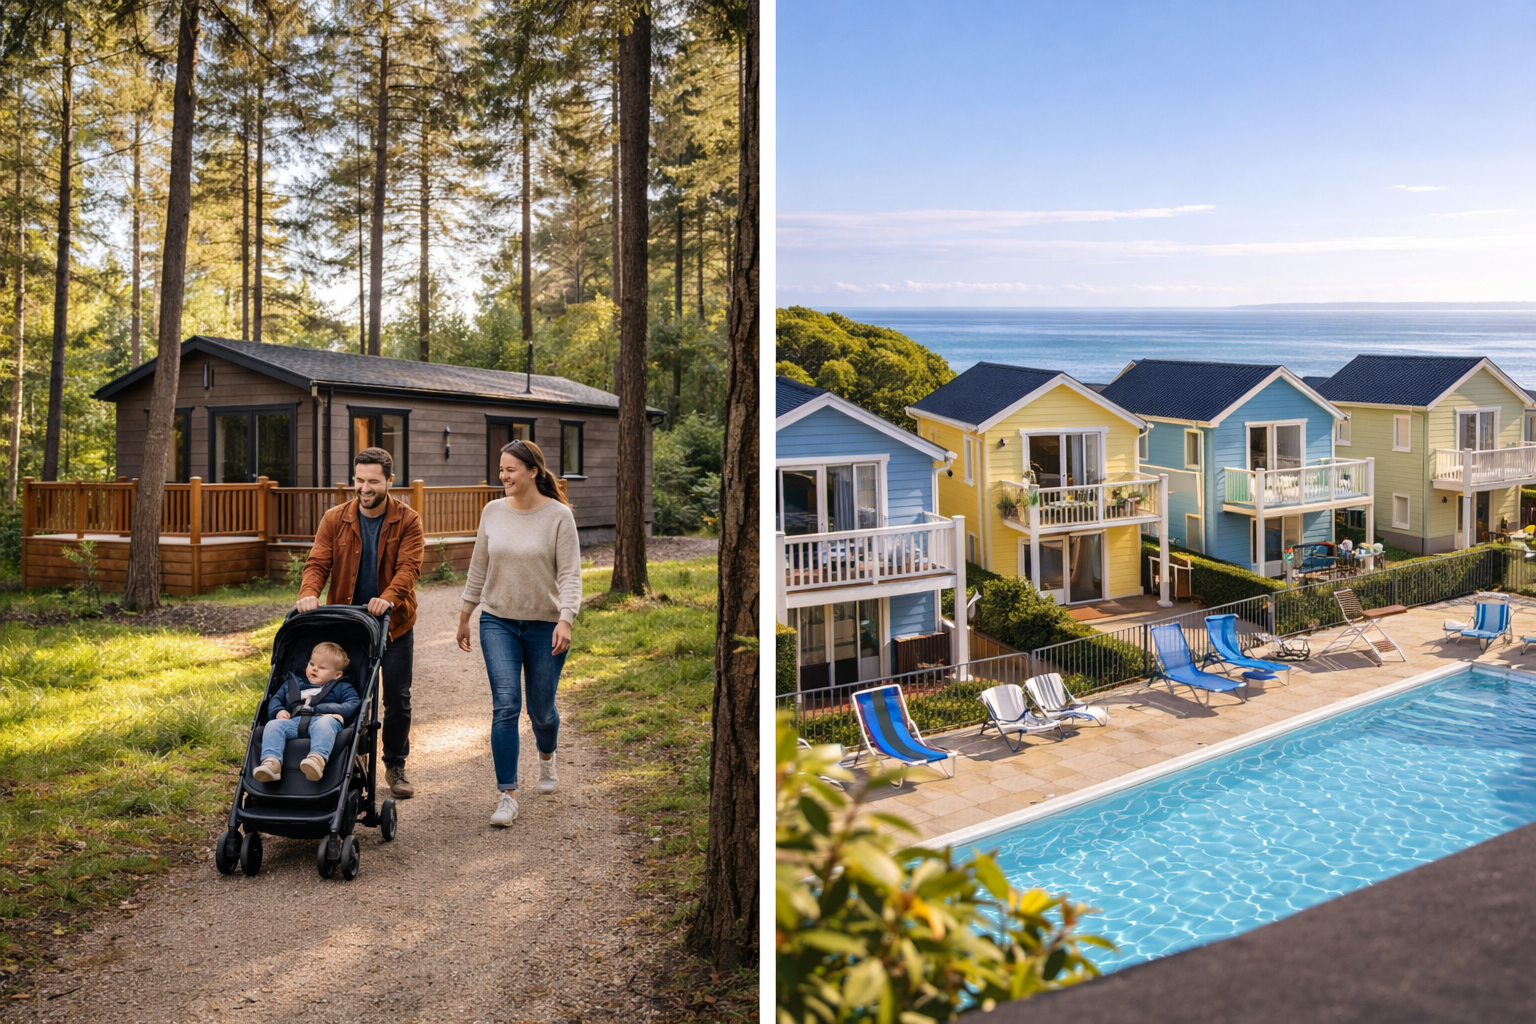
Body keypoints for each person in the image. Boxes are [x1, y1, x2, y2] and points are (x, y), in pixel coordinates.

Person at [457, 439, 581, 827]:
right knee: (506, 705)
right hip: (498, 621)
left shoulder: (559, 516)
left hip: (545, 625)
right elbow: (478, 566)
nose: (503, 476)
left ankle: (547, 756)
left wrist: (566, 619)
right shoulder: (492, 512)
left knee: (541, 711)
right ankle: (507, 795)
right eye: (501, 469)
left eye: (510, 469)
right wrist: (465, 615)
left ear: (533, 471)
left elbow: (570, 574)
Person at [298, 447, 424, 798]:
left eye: (373, 481)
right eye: (359, 480)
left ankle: (395, 765)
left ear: (389, 481)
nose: (364, 488)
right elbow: (317, 563)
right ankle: (348, 760)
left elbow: (409, 568)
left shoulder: (408, 520)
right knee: (348, 695)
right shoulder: (335, 518)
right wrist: (309, 593)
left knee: (397, 697)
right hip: (347, 626)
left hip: (392, 624)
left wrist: (389, 597)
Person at [253, 642, 361, 783]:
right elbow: (276, 699)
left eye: (322, 667)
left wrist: (322, 709)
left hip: (323, 719)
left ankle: (316, 760)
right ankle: (271, 763)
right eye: (311, 664)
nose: (314, 669)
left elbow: (353, 704)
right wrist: (278, 710)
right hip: (293, 721)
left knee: (325, 724)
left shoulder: (342, 687)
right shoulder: (293, 684)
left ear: (337, 674)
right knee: (273, 725)